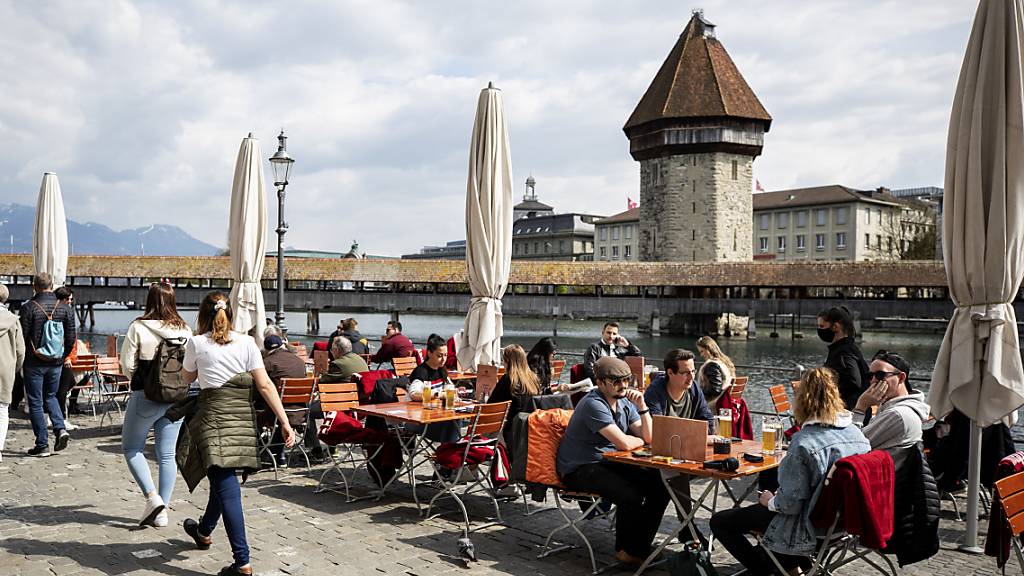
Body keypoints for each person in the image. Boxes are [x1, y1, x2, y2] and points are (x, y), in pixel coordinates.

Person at [710, 368, 871, 575]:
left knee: (720, 521)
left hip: (802, 525)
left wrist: (769, 500)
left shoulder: (804, 442)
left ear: (801, 401)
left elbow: (789, 505)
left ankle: (764, 570)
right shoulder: (857, 436)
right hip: (841, 523)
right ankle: (792, 568)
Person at [178, 292, 296, 576]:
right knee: (224, 481)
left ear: (203, 316)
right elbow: (265, 385)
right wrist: (284, 421)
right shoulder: (247, 342)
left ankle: (242, 562)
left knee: (227, 488)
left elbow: (187, 378)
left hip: (213, 421)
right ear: (230, 314)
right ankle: (204, 531)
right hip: (242, 421)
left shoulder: (196, 343)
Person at [557, 357, 669, 566]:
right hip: (579, 468)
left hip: (606, 462)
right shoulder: (593, 403)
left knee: (661, 484)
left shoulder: (625, 401)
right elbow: (625, 444)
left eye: (626, 380)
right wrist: (635, 440)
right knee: (630, 494)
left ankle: (639, 546)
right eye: (616, 381)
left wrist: (643, 407)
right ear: (600, 383)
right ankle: (625, 551)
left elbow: (650, 438)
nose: (623, 385)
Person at [119, 282, 194, 528]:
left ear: (150, 300)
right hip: (176, 398)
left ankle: (152, 498)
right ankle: (162, 513)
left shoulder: (138, 327)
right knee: (167, 455)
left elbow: (126, 364)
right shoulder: (185, 329)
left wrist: (139, 381)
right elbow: (192, 365)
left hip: (147, 396)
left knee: (131, 448)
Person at [643, 349, 716, 537]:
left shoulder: (693, 389)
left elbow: (708, 421)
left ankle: (687, 527)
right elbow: (658, 429)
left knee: (721, 467)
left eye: (693, 371)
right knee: (676, 472)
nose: (691, 377)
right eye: (685, 372)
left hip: (689, 453)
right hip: (658, 458)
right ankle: (687, 527)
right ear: (670, 373)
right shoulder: (655, 392)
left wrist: (696, 435)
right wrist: (695, 435)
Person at [20, 272, 75, 457]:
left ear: (34, 286)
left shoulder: (28, 308)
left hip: (34, 362)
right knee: (50, 396)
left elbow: (23, 337)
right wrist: (61, 356)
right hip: (56, 362)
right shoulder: (65, 308)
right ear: (52, 285)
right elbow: (71, 338)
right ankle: (60, 429)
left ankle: (42, 444)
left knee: (35, 402)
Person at [852, 350, 929, 471]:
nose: (873, 381)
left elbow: (850, 446)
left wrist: (860, 407)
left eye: (880, 375)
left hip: (881, 483)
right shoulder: (898, 408)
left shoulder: (897, 415)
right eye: (870, 376)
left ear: (901, 377)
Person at [407, 334, 460, 443]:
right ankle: (448, 453)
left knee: (456, 420)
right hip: (419, 420)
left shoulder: (442, 370)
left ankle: (449, 452)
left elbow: (450, 388)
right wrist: (436, 395)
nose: (444, 359)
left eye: (446, 355)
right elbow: (413, 393)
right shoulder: (421, 372)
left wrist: (456, 394)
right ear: (429, 353)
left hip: (437, 417)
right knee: (452, 424)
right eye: (440, 356)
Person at [817, 306, 869, 410]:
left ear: (835, 327)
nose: (819, 330)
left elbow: (854, 381)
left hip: (846, 412)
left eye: (822, 326)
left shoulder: (844, 353)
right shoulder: (849, 348)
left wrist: (827, 392)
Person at [489, 344, 543, 431]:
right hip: (530, 429)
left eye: (503, 360)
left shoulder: (508, 379)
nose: (503, 363)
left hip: (508, 431)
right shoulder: (533, 378)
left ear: (508, 361)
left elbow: (490, 407)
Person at [0, 284, 25, 462]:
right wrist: (15, 369)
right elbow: (21, 351)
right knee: (2, 411)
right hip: (5, 369)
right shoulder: (13, 320)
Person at [696, 336, 735, 406]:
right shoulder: (724, 363)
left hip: (712, 405)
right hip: (724, 403)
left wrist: (697, 392)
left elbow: (715, 389)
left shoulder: (712, 365)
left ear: (708, 349)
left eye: (702, 351)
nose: (701, 355)